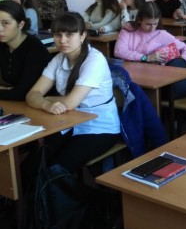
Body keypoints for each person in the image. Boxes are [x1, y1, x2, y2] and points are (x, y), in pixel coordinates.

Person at [26, 12, 120, 173]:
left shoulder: (94, 60)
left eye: (69, 35)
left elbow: (70, 103)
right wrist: (45, 104)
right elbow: (32, 94)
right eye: (58, 35)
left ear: (82, 36)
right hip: (68, 123)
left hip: (99, 127)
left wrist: (45, 98)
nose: (63, 40)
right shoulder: (59, 59)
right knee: (34, 162)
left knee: (56, 169)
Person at [114, 1, 186, 99]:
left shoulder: (161, 34)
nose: (152, 28)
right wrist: (146, 57)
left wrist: (181, 60)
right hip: (130, 76)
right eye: (148, 24)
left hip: (153, 78)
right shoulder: (128, 30)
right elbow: (118, 51)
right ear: (139, 20)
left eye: (155, 23)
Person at [0, 0, 49, 100]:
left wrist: (10, 91)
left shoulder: (34, 50)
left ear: (21, 24)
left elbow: (22, 93)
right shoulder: (3, 44)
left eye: (5, 23)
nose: (0, 28)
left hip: (39, 103)